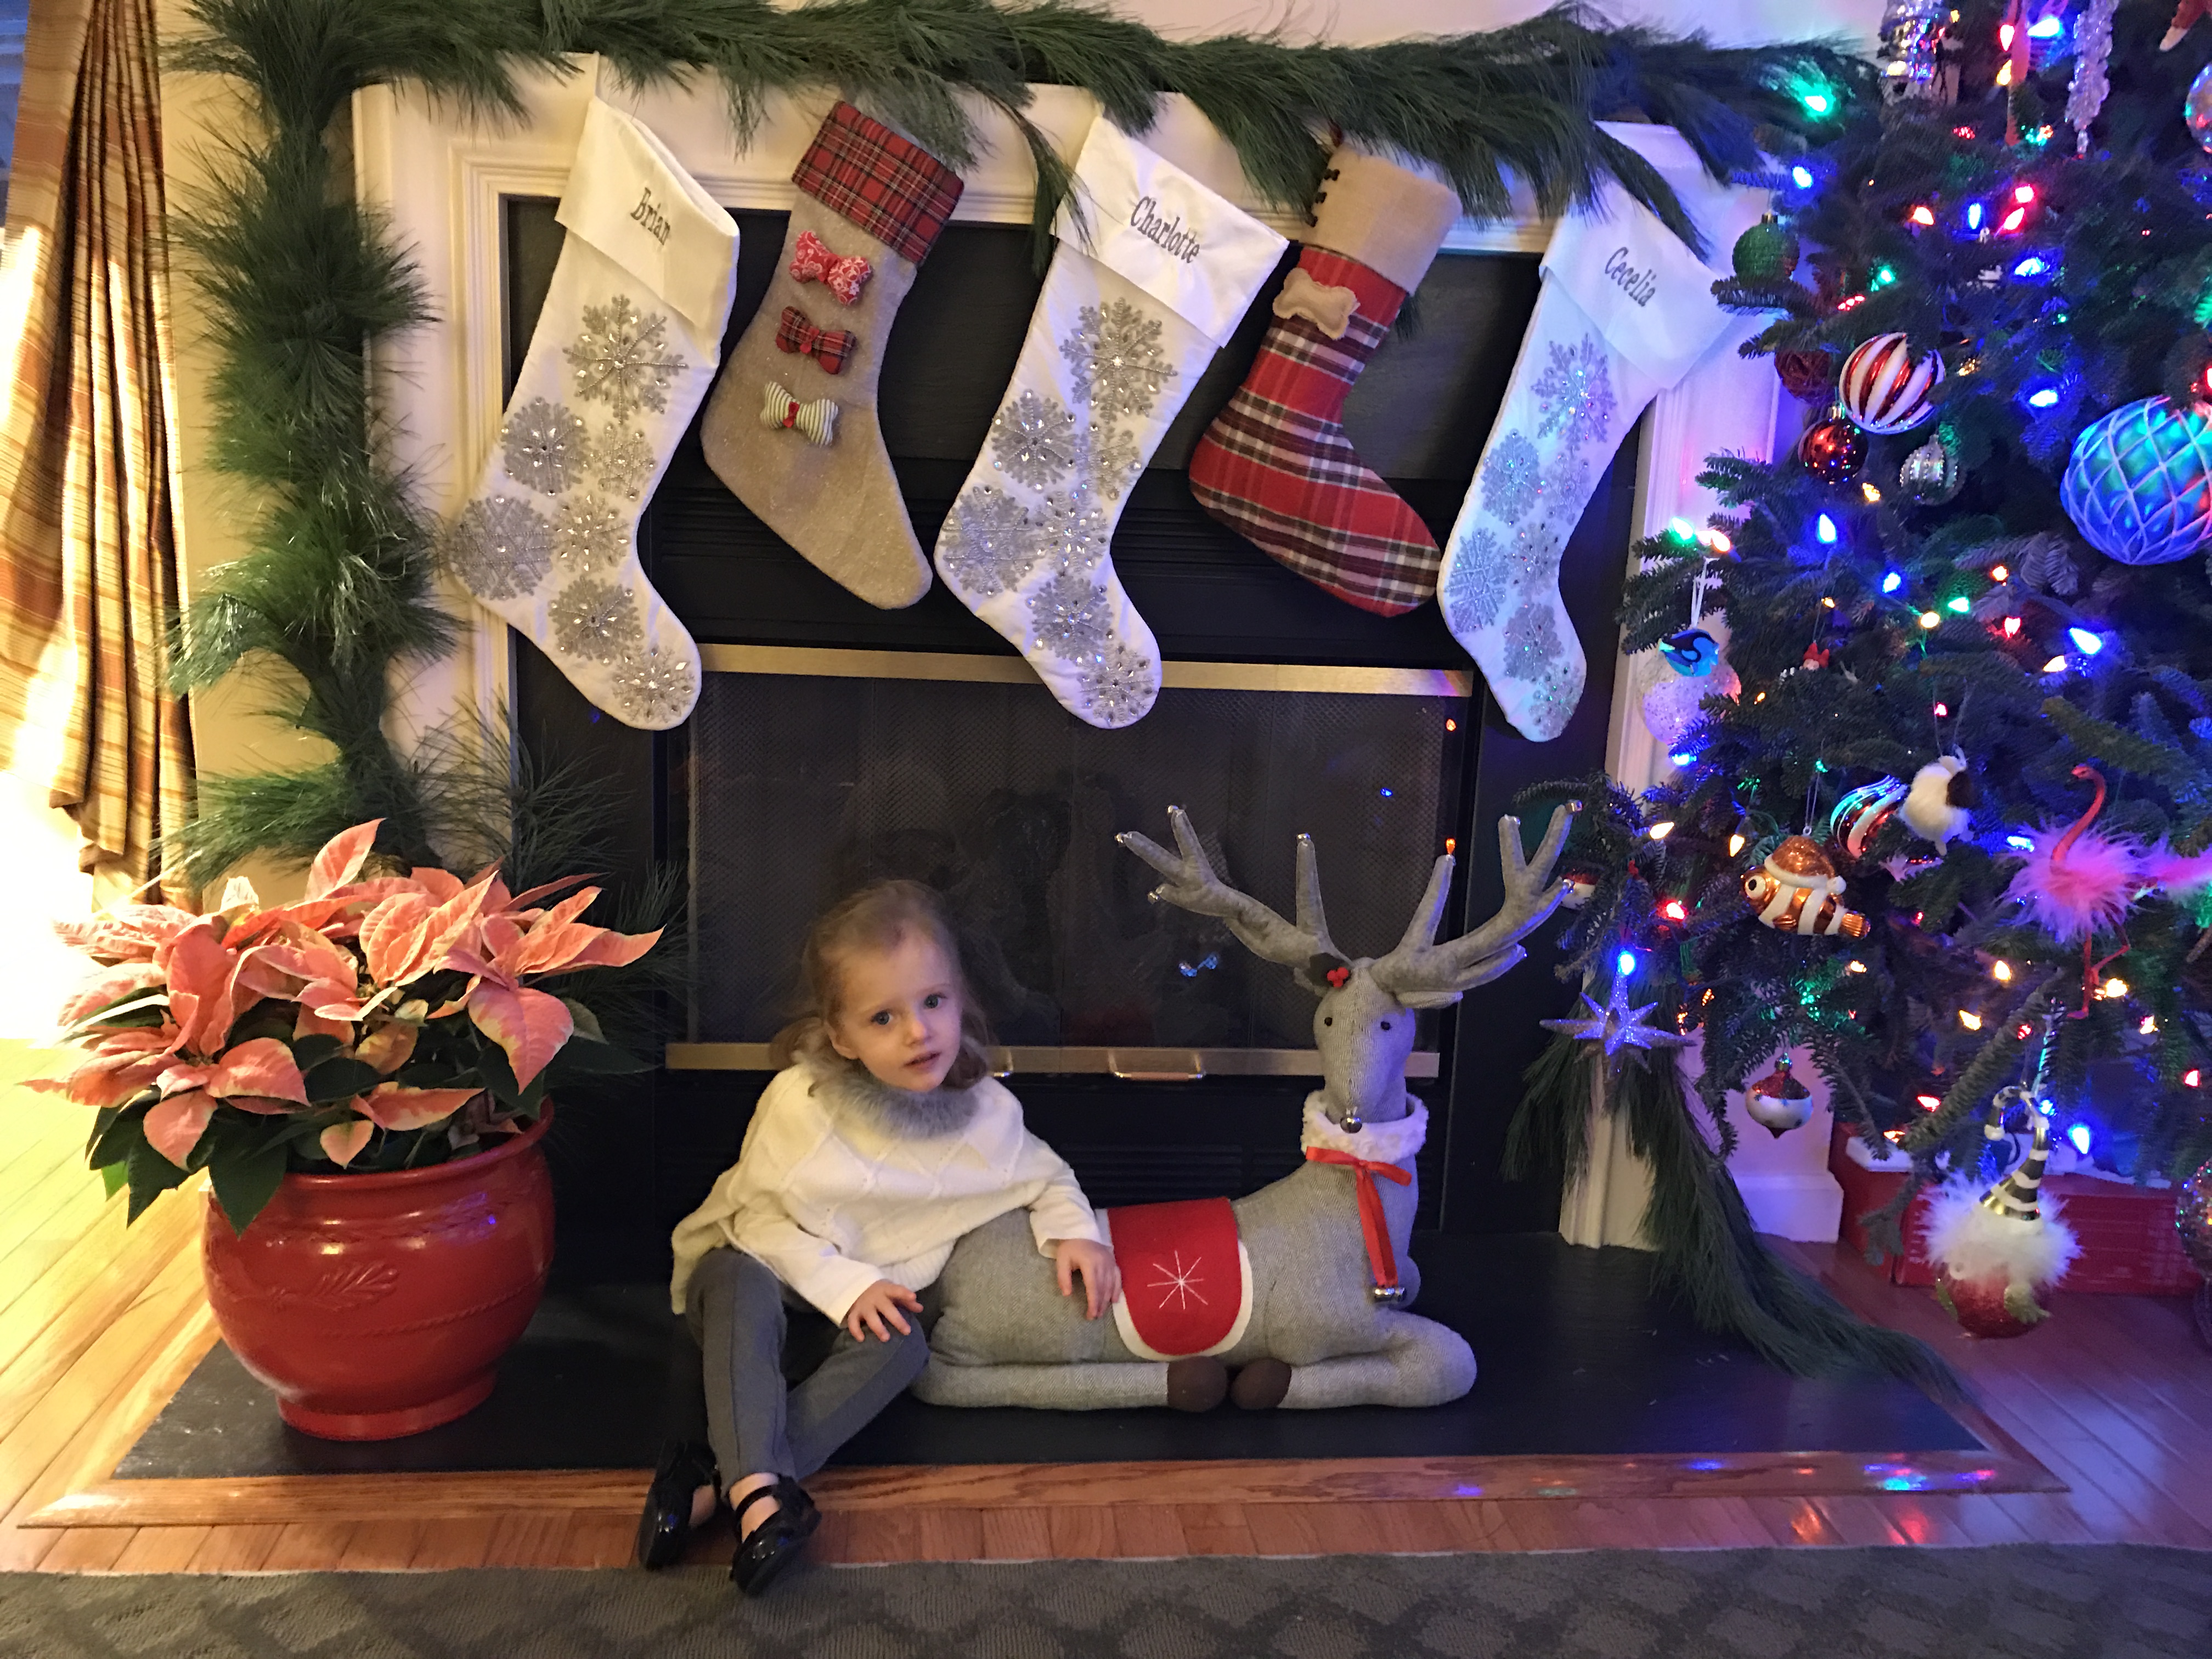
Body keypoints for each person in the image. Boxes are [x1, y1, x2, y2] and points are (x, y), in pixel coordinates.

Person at [637, 879, 1119, 1593]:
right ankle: (762, 1501)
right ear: (842, 1037)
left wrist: (1076, 1233)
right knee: (739, 1280)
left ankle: (719, 1483)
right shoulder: (802, 1106)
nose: (918, 1033)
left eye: (934, 1003)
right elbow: (758, 1221)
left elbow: (1045, 1175)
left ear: (960, 999)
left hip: (848, 1321)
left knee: (904, 1345)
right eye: (884, 1017)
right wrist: (845, 1283)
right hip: (758, 1276)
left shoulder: (986, 1114)